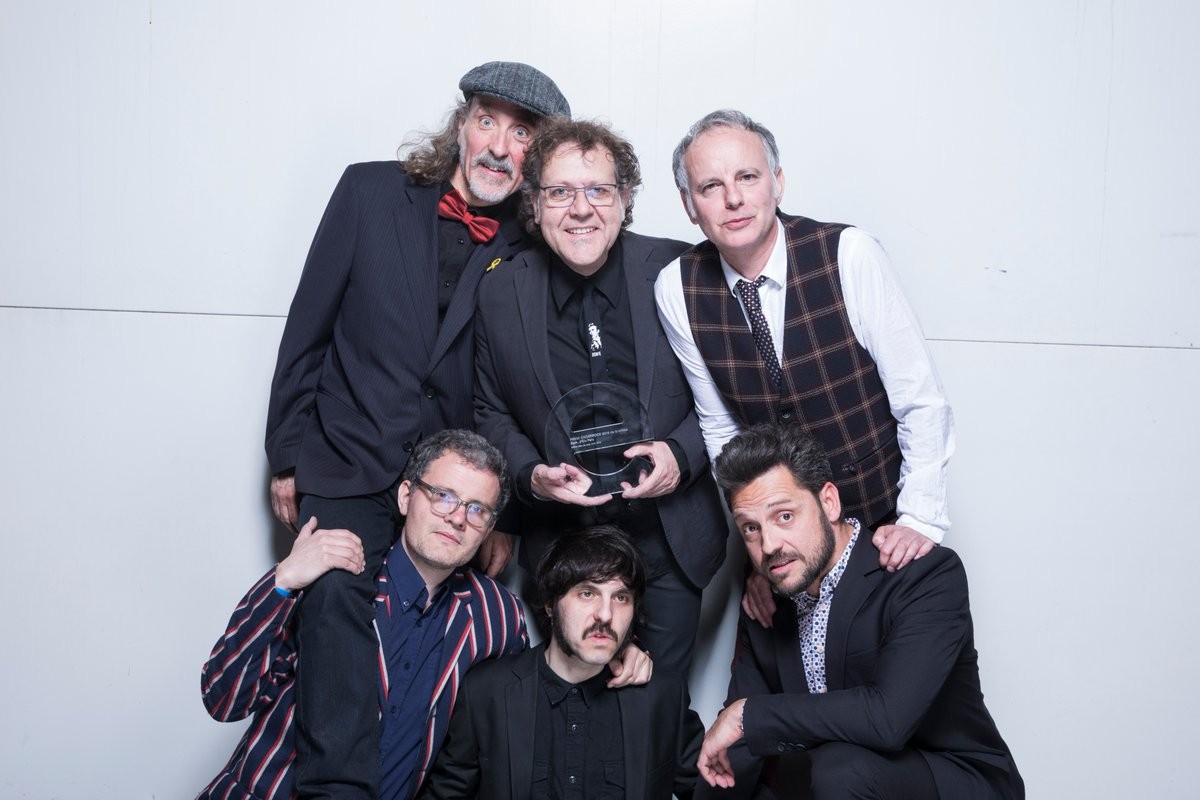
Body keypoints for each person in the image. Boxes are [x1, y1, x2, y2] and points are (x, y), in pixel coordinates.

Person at [262, 63, 569, 797]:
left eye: (522, 134)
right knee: (337, 599)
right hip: (347, 455)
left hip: (451, 486)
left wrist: (504, 515)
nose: (498, 146)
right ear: (461, 126)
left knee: (435, 635)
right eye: (487, 121)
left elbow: (516, 394)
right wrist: (285, 455)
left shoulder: (533, 248)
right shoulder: (368, 192)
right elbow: (308, 326)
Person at [196, 430, 649, 800]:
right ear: (405, 496)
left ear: (489, 528)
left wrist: (615, 652)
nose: (457, 518)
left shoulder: (497, 616)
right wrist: (283, 581)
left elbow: (526, 694)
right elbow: (224, 699)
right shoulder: (333, 576)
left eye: (477, 509)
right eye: (443, 496)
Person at [654, 109, 956, 626]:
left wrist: (919, 520)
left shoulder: (848, 254)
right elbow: (722, 430)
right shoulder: (676, 288)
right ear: (689, 205)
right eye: (711, 186)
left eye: (748, 177)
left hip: (884, 530)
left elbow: (920, 400)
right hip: (786, 558)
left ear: (778, 182)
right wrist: (764, 551)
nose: (733, 198)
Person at [474, 118, 727, 674]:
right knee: (573, 706)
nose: (580, 209)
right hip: (562, 544)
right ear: (534, 203)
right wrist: (530, 475)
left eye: (598, 190)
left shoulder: (681, 270)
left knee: (659, 703)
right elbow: (490, 409)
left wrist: (681, 455)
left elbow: (729, 387)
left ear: (625, 199)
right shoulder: (499, 290)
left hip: (669, 538)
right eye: (560, 192)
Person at [696, 424, 1023, 800]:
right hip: (839, 786)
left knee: (839, 768)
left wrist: (747, 716)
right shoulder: (766, 605)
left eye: (784, 516)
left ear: (829, 503)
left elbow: (889, 719)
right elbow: (734, 747)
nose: (768, 545)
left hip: (956, 781)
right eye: (751, 528)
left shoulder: (923, 577)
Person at [419, 526, 704, 800]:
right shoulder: (486, 692)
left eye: (621, 597)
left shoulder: (663, 696)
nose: (606, 615)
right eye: (587, 593)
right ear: (550, 604)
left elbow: (709, 786)